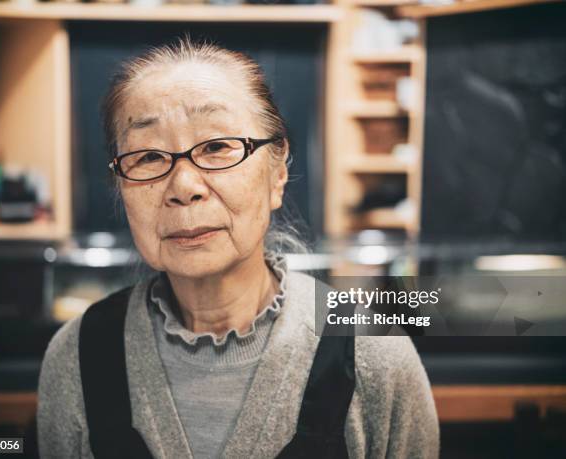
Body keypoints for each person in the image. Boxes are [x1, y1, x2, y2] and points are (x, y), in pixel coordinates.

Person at [37, 38, 439, 459]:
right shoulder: (78, 357)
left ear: (277, 175)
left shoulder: (372, 353)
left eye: (216, 147)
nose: (184, 188)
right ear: (120, 185)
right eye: (149, 156)